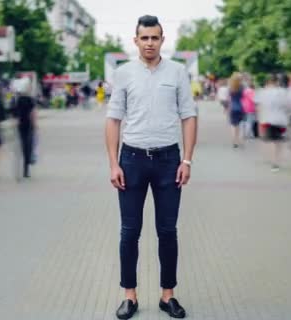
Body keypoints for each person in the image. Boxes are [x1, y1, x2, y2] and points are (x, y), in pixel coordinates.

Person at [105, 15, 198, 320]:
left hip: (168, 161)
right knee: (129, 232)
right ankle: (129, 296)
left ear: (162, 40)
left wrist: (187, 159)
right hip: (131, 161)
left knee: (167, 231)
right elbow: (113, 119)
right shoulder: (124, 74)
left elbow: (189, 116)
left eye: (154, 38)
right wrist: (113, 163)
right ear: (135, 40)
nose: (149, 43)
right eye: (144, 38)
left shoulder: (178, 72)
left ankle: (167, 295)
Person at [255, 74, 289, 172]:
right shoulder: (282, 92)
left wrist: (259, 119)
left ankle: (274, 163)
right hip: (280, 119)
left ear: (268, 82)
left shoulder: (262, 92)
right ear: (276, 82)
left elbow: (259, 107)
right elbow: (287, 105)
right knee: (278, 141)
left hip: (267, 119)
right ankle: (277, 160)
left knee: (271, 141)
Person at [12, 78, 37, 179]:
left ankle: (25, 161)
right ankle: (26, 168)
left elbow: (15, 114)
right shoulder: (30, 100)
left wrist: (16, 122)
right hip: (29, 125)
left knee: (23, 144)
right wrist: (35, 124)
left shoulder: (18, 100)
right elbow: (33, 113)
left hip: (21, 125)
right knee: (29, 145)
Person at [227, 73, 245, 148]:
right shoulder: (241, 87)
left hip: (232, 107)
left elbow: (229, 99)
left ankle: (234, 141)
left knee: (233, 125)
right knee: (238, 125)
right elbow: (243, 96)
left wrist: (228, 109)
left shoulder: (231, 87)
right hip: (240, 107)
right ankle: (238, 140)